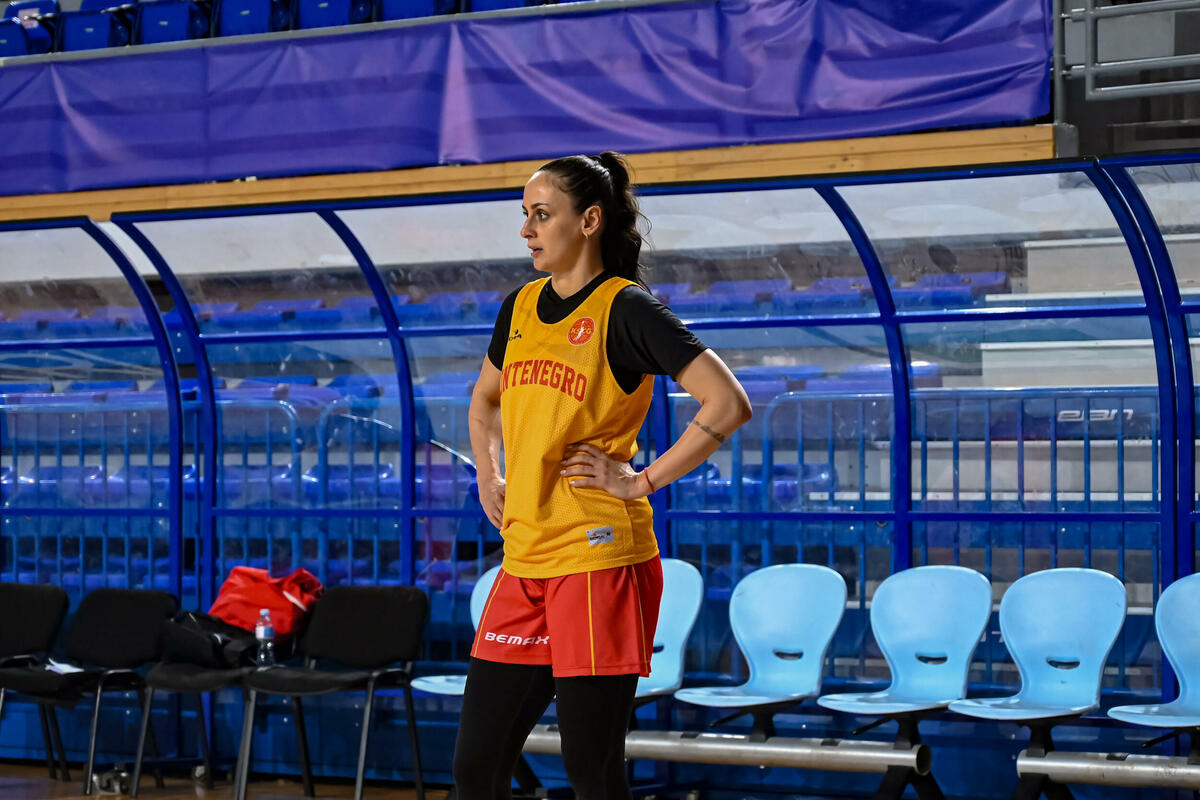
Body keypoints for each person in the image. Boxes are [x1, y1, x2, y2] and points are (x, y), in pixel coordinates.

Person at [453, 151, 752, 800]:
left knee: (591, 772)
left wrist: (640, 482)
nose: (527, 230)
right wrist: (488, 476)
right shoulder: (519, 307)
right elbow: (483, 400)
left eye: (541, 214)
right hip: (525, 557)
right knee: (475, 769)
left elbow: (727, 402)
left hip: (598, 559)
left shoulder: (627, 309)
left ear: (589, 221)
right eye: (525, 215)